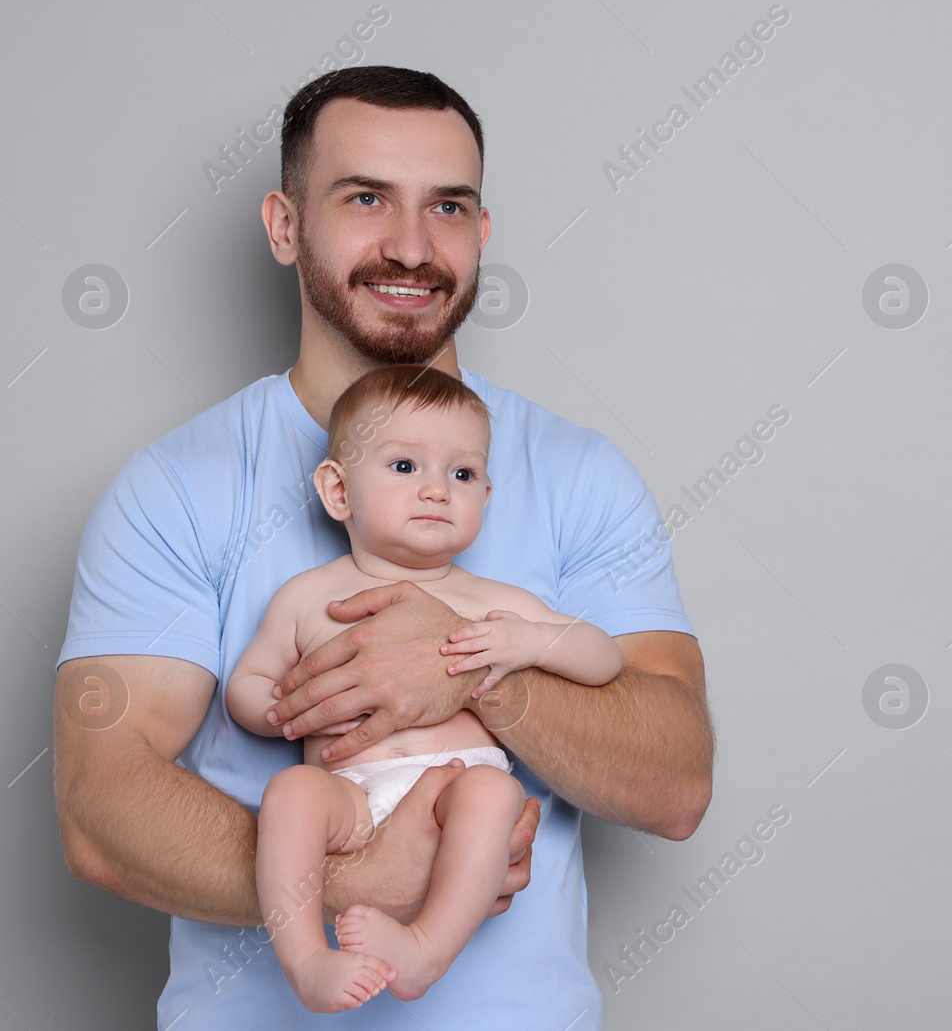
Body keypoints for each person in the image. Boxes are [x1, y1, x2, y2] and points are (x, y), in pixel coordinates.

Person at [53, 64, 712, 1029]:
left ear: (482, 233)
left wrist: (472, 671)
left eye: (447, 205)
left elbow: (677, 781)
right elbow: (101, 814)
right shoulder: (175, 487)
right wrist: (361, 877)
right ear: (284, 226)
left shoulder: (580, 471)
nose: (411, 245)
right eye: (366, 198)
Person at [227, 365, 621, 1012]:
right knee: (290, 792)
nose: (437, 490)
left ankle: (425, 947)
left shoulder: (492, 601)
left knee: (494, 791)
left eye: (462, 474)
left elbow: (602, 655)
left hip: (454, 794)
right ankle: (306, 960)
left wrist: (526, 641)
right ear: (338, 489)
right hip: (349, 796)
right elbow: (248, 682)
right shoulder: (306, 597)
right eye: (405, 466)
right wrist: (281, 710)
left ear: (487, 497)